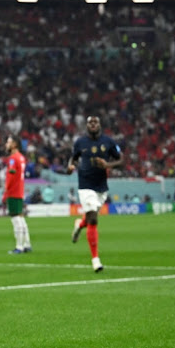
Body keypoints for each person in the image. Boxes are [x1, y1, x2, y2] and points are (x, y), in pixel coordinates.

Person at [67, 115, 123, 272]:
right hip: (85, 185)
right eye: (90, 122)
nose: (92, 124)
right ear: (86, 125)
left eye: (95, 122)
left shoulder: (108, 142)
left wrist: (108, 164)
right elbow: (73, 159)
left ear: (99, 125)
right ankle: (95, 260)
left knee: (90, 218)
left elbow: (121, 161)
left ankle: (80, 224)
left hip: (101, 187)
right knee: (93, 219)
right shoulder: (80, 142)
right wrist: (70, 167)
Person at [2, 134, 32, 254]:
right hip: (20, 191)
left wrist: (6, 192)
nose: (6, 144)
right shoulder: (21, 157)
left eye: (8, 142)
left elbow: (11, 176)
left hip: (13, 192)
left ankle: (19, 246)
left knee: (15, 219)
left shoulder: (13, 158)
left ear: (14, 144)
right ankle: (27, 244)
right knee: (21, 218)